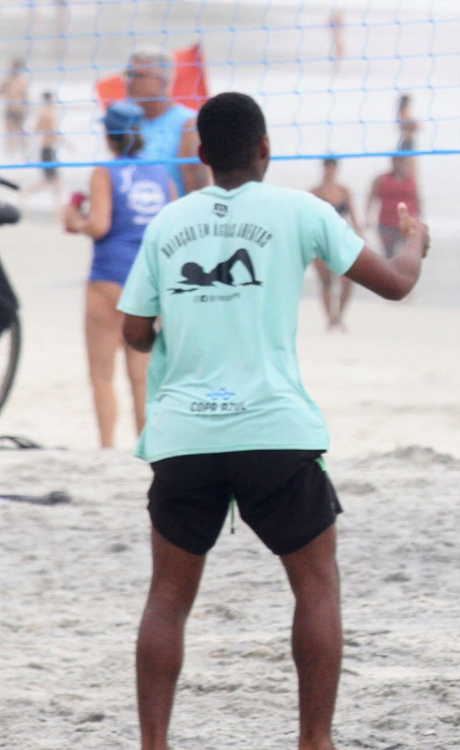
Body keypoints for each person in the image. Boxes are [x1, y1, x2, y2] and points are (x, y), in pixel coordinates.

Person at [118, 92, 429, 750]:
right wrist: (415, 244)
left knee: (168, 596)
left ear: (200, 156)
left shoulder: (168, 224)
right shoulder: (302, 210)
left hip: (185, 435)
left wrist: (178, 328)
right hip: (274, 431)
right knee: (316, 585)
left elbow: (135, 332)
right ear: (265, 149)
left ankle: (153, 744)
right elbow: (398, 285)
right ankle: (314, 741)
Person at [61, 101, 174, 449]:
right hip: (148, 281)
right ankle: (145, 444)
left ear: (109, 135)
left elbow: (99, 225)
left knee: (101, 375)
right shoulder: (161, 173)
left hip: (109, 277)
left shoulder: (104, 171)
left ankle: (108, 447)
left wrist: (73, 220)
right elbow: (169, 227)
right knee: (141, 376)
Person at [125, 46, 209, 196]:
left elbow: (199, 195)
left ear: (162, 81)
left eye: (137, 75)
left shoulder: (188, 125)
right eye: (128, 74)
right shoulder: (128, 122)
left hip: (170, 216)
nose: (129, 82)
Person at [309, 158, 362, 330]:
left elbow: (353, 217)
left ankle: (339, 315)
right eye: (327, 167)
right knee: (326, 282)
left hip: (340, 239)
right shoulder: (315, 192)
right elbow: (307, 220)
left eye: (332, 167)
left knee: (347, 281)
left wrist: (359, 238)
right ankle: (330, 319)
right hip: (320, 240)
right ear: (324, 168)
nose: (330, 170)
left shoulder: (344, 191)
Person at [367, 156, 420, 259]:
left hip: (406, 224)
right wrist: (368, 217)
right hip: (386, 224)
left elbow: (416, 199)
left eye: (401, 161)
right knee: (389, 254)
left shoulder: (410, 180)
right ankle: (389, 273)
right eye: (397, 161)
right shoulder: (381, 179)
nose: (399, 164)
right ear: (392, 162)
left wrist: (418, 219)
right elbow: (371, 197)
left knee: (406, 254)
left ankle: (403, 273)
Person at [20, 91, 64, 205]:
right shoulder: (47, 113)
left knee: (54, 180)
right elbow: (48, 131)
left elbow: (38, 130)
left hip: (49, 149)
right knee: (50, 180)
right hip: (47, 150)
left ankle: (58, 206)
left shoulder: (46, 112)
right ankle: (26, 193)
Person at [0, 57, 29, 158]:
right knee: (8, 133)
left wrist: (26, 110)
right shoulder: (7, 81)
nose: (9, 68)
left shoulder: (22, 81)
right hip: (9, 109)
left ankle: (24, 153)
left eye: (12, 66)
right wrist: (3, 86)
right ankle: (10, 155)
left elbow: (26, 97)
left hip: (19, 110)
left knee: (21, 132)